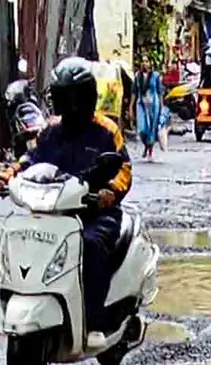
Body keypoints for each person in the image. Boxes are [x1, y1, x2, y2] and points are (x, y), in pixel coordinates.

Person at [18, 55, 132, 327]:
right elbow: (30, 160)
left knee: (91, 245)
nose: (66, 106)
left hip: (95, 212)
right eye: (61, 98)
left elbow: (124, 168)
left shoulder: (106, 130)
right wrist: (6, 178)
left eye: (70, 98)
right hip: (55, 211)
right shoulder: (50, 130)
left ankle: (94, 318)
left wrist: (110, 192)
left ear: (84, 98)